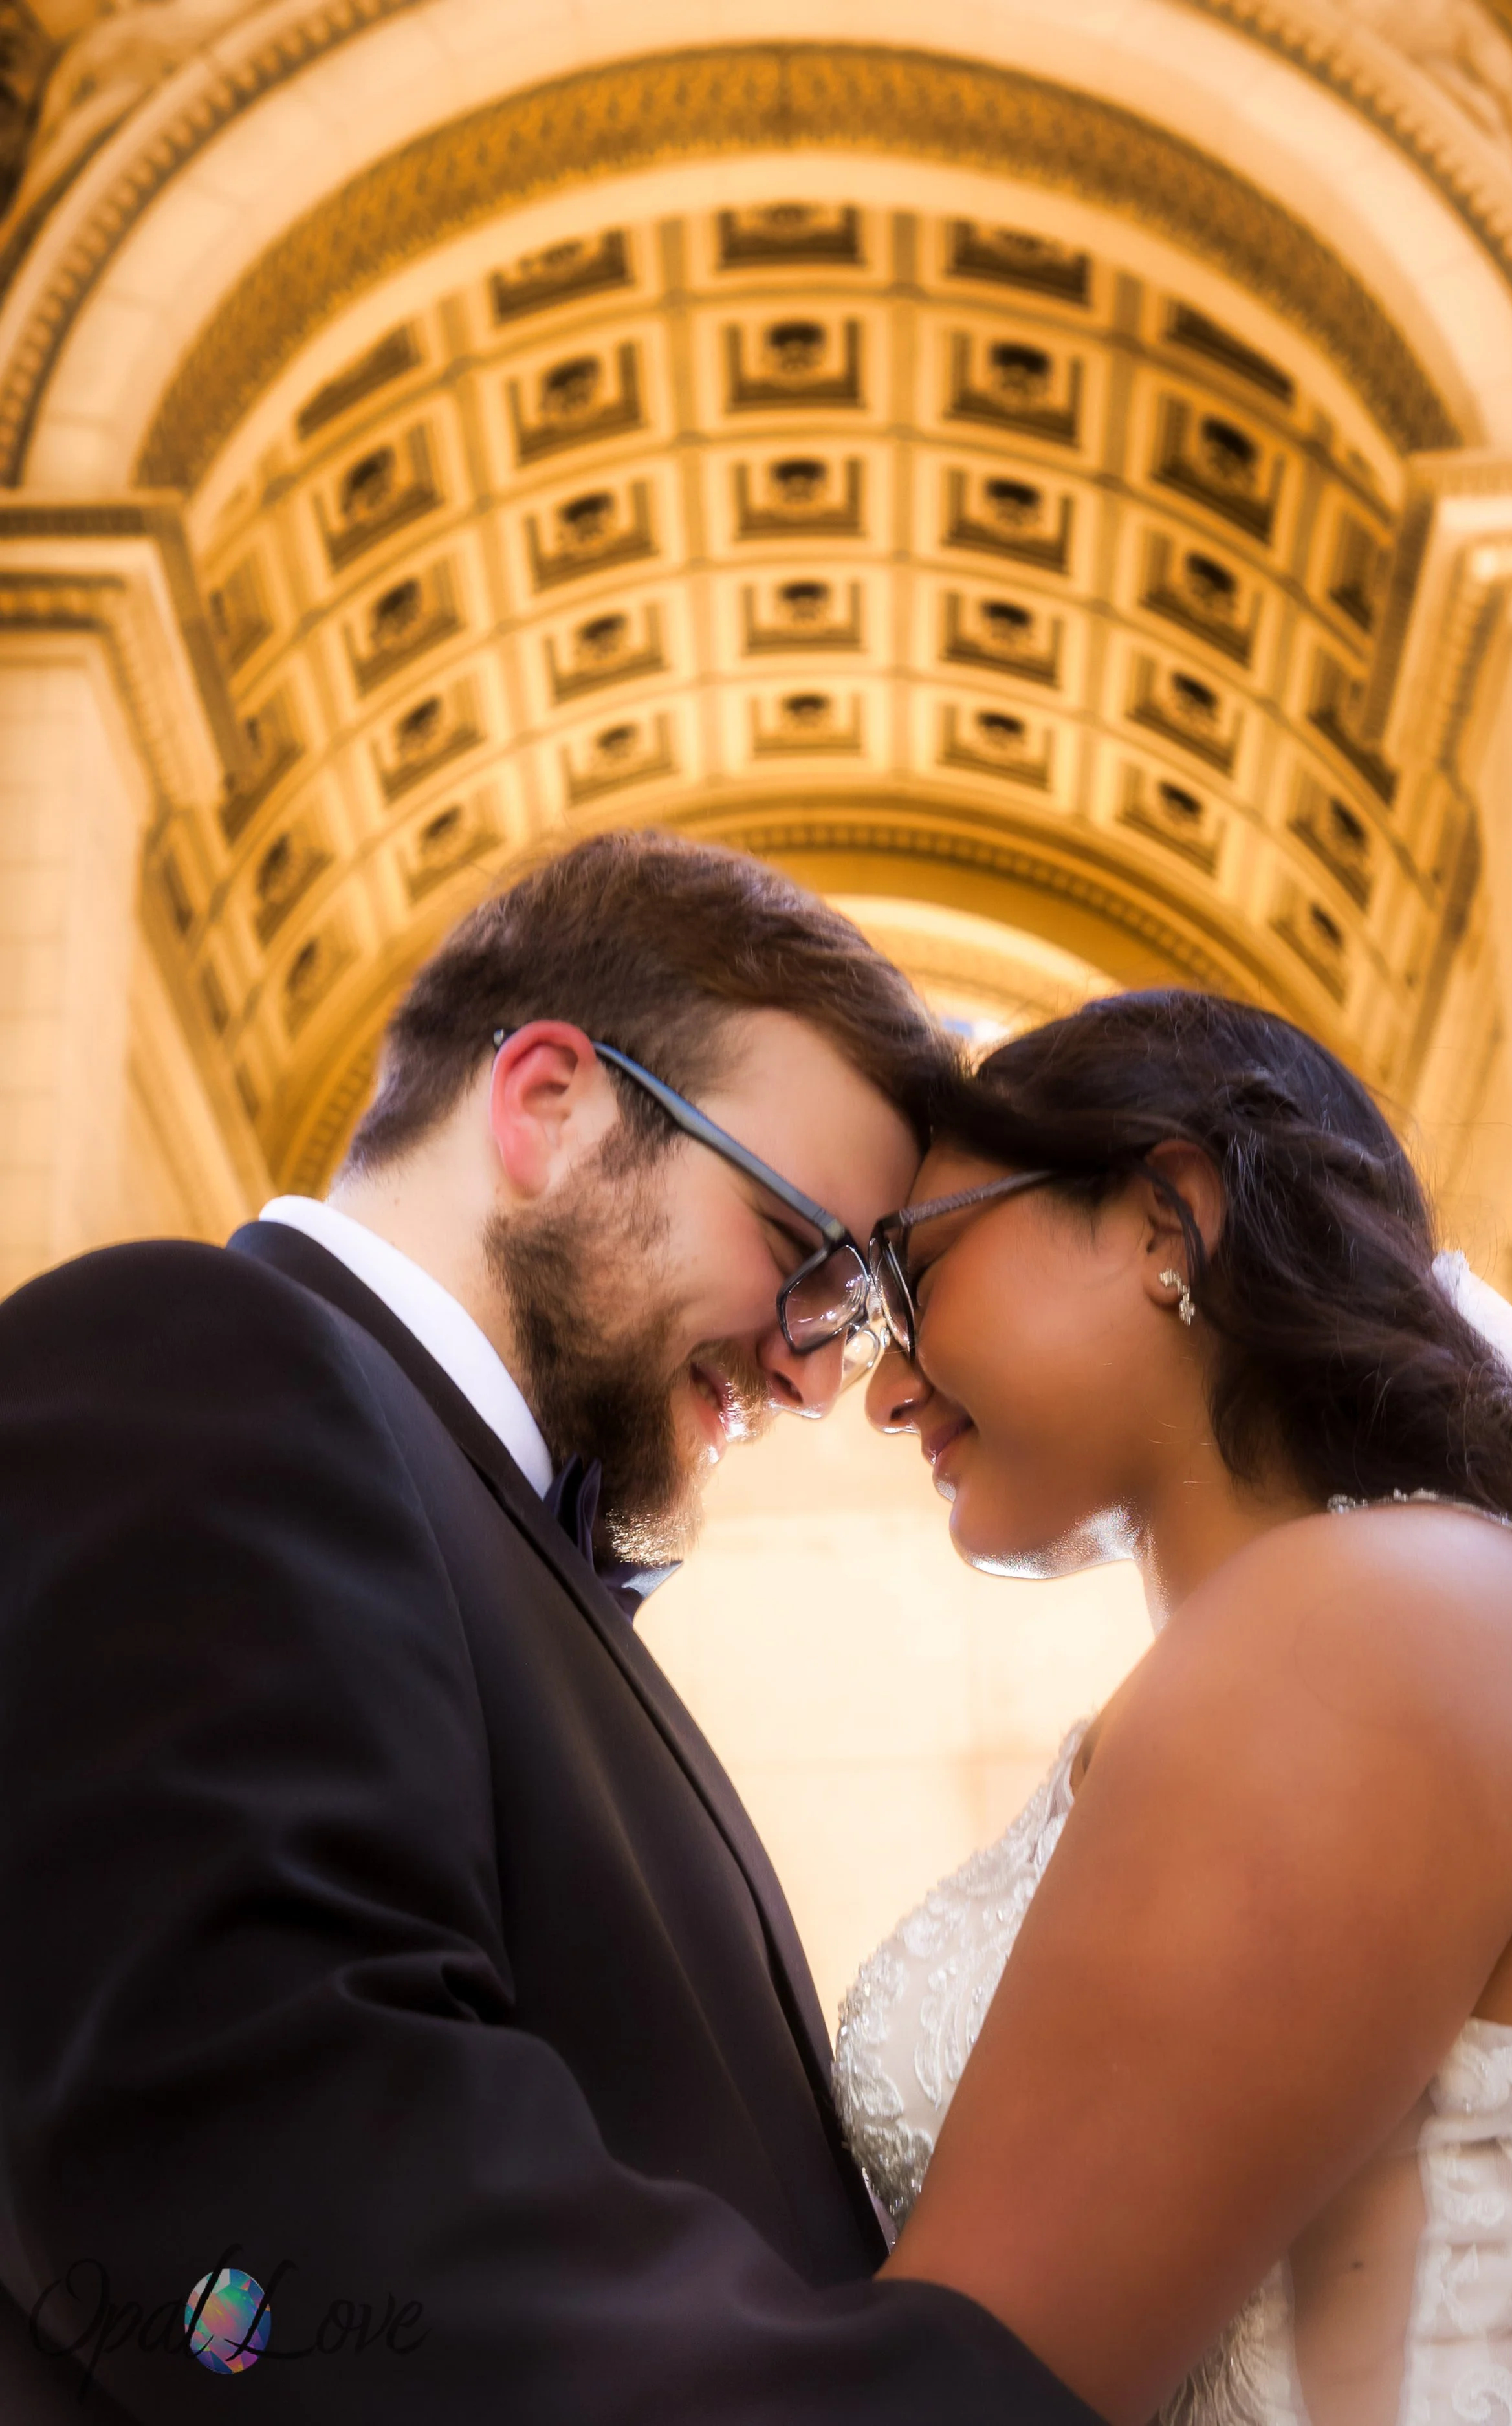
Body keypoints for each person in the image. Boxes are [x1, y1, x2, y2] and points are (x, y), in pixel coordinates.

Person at [0, 832, 1099, 2425]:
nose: (816, 1376)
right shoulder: (195, 1358)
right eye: (800, 1263)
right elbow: (266, 2196)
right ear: (547, 1105)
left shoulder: (487, 1529)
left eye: (853, 1315)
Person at [835, 987, 1512, 2426]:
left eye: (914, 1271)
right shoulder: (1372, 1616)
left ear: (1161, 1215)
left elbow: (972, 2383)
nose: (880, 1389)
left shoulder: (1366, 1629)